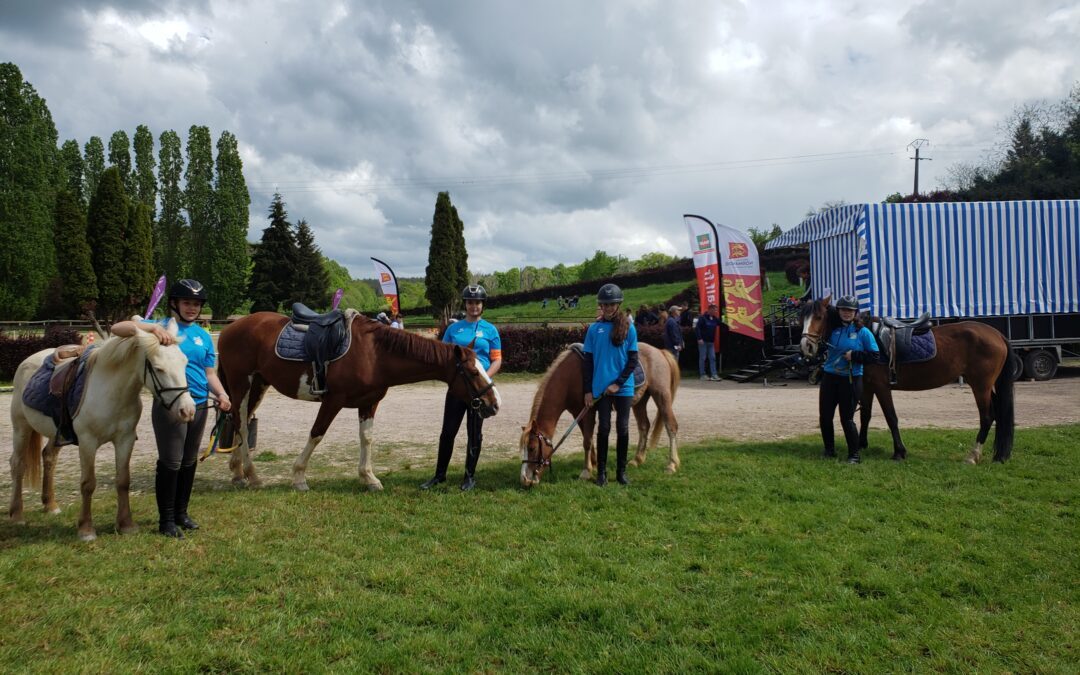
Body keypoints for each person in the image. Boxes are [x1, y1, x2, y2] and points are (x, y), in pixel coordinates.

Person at [112, 279, 231, 538]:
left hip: (200, 405)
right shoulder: (161, 328)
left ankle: (181, 513)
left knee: (189, 461)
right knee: (171, 461)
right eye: (187, 303)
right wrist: (153, 327)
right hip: (170, 405)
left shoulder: (203, 336)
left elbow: (209, 372)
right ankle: (165, 519)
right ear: (175, 304)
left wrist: (221, 393)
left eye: (197, 304)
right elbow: (117, 328)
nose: (192, 308)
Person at [421, 284, 502, 491]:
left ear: (482, 305)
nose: (473, 306)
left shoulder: (490, 330)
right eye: (470, 302)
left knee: (474, 433)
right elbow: (444, 357)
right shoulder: (453, 330)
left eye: (477, 302)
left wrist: (484, 380)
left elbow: (496, 361)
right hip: (457, 390)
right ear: (465, 304)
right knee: (447, 432)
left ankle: (469, 477)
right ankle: (439, 475)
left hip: (478, 391)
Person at [582, 283, 638, 486]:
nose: (607, 308)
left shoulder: (629, 328)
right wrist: (588, 390)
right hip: (600, 389)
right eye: (604, 305)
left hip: (622, 387)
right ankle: (602, 473)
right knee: (603, 428)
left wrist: (618, 383)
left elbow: (633, 360)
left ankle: (621, 472)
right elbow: (587, 362)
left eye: (611, 305)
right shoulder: (594, 329)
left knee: (622, 428)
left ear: (618, 305)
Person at [819, 295, 879, 464]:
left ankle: (854, 455)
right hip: (829, 377)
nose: (846, 313)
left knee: (846, 418)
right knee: (825, 416)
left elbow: (875, 356)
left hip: (851, 379)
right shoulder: (832, 329)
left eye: (850, 310)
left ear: (855, 312)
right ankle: (829, 450)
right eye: (843, 310)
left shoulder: (863, 332)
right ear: (838, 311)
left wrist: (855, 355)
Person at [696, 303, 722, 381]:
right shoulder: (702, 318)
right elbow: (697, 328)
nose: (716, 312)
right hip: (703, 342)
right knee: (703, 358)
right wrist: (699, 338)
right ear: (710, 309)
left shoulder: (714, 318)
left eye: (716, 310)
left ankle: (714, 374)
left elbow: (721, 324)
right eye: (715, 310)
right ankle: (702, 374)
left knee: (713, 358)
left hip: (711, 342)